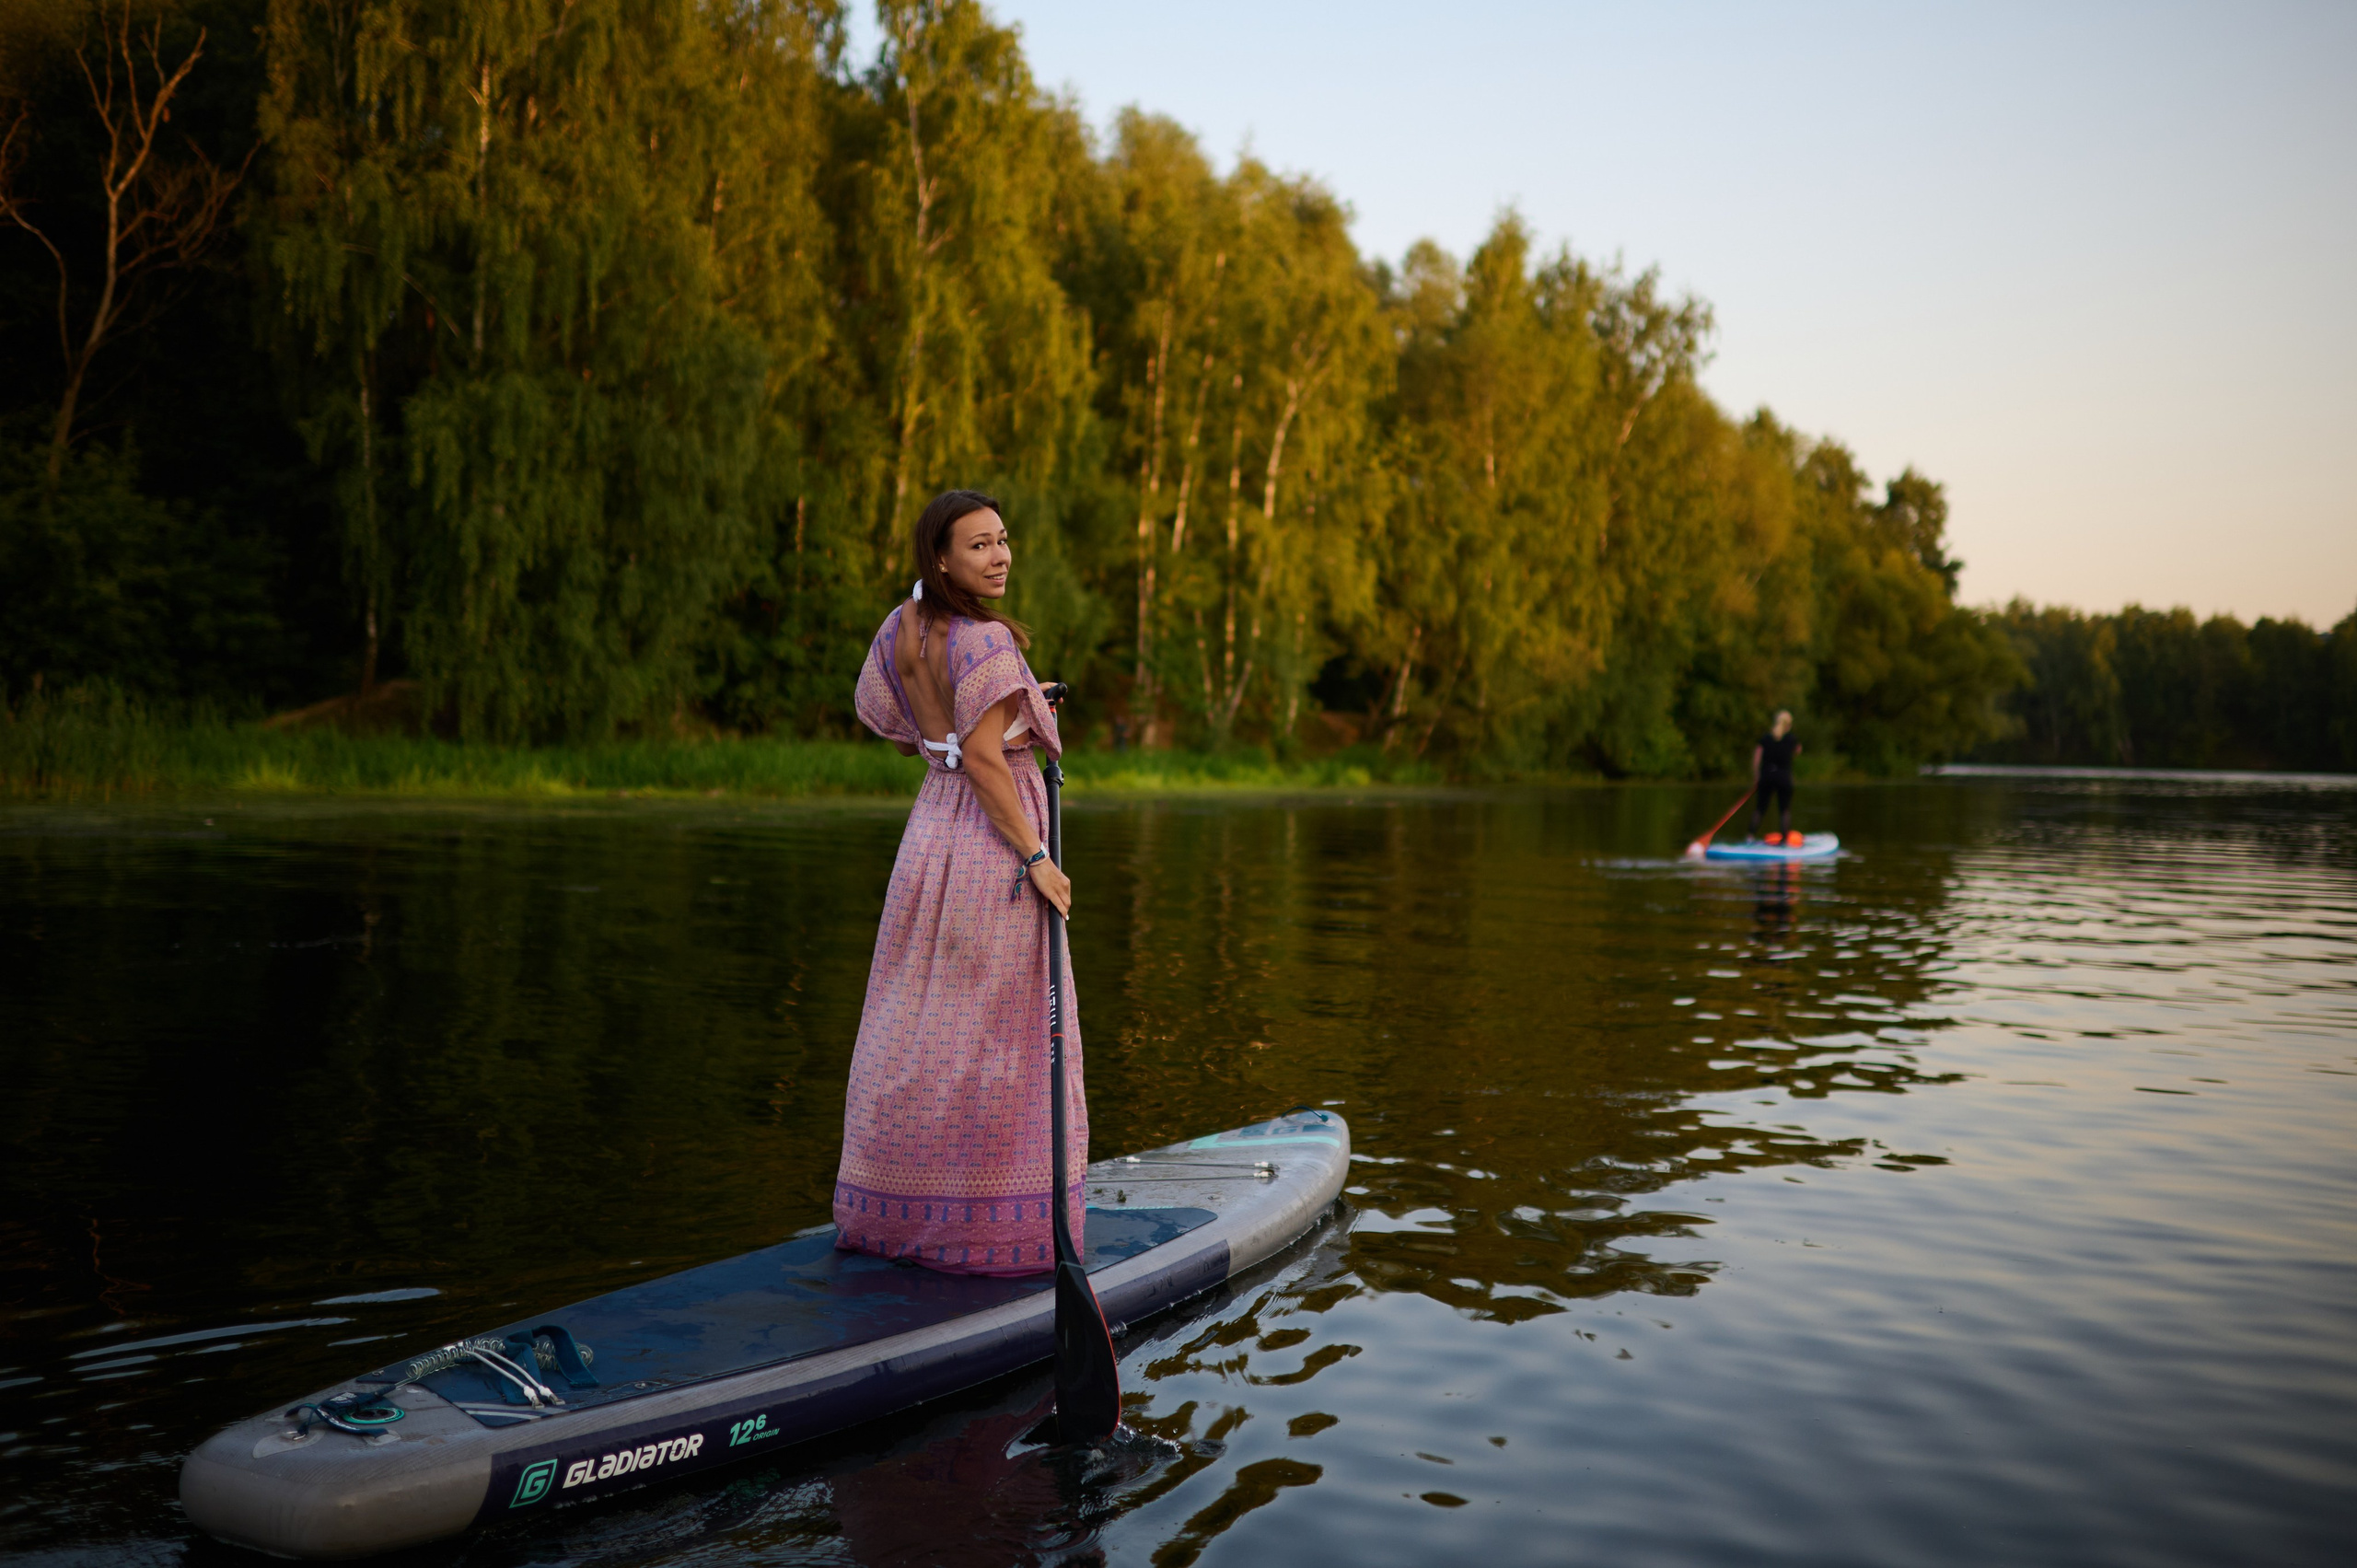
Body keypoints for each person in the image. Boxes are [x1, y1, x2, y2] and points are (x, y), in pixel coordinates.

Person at [832, 489, 1082, 1276]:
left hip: (930, 836)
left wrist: (1015, 710)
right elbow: (981, 760)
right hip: (990, 848)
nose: (1000, 555)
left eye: (1003, 539)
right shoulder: (985, 641)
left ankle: (897, 1212)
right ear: (940, 558)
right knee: (999, 1039)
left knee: (919, 1028)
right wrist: (1036, 858)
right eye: (979, 545)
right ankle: (994, 1233)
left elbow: (922, 739)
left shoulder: (902, 627)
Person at [1750, 710, 1802, 843]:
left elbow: (1757, 758)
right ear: (1788, 725)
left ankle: (1749, 837)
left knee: (1760, 808)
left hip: (1766, 776)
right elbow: (1798, 751)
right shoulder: (1791, 739)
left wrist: (1757, 776)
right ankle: (1784, 841)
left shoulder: (1766, 738)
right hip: (1784, 778)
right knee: (1784, 810)